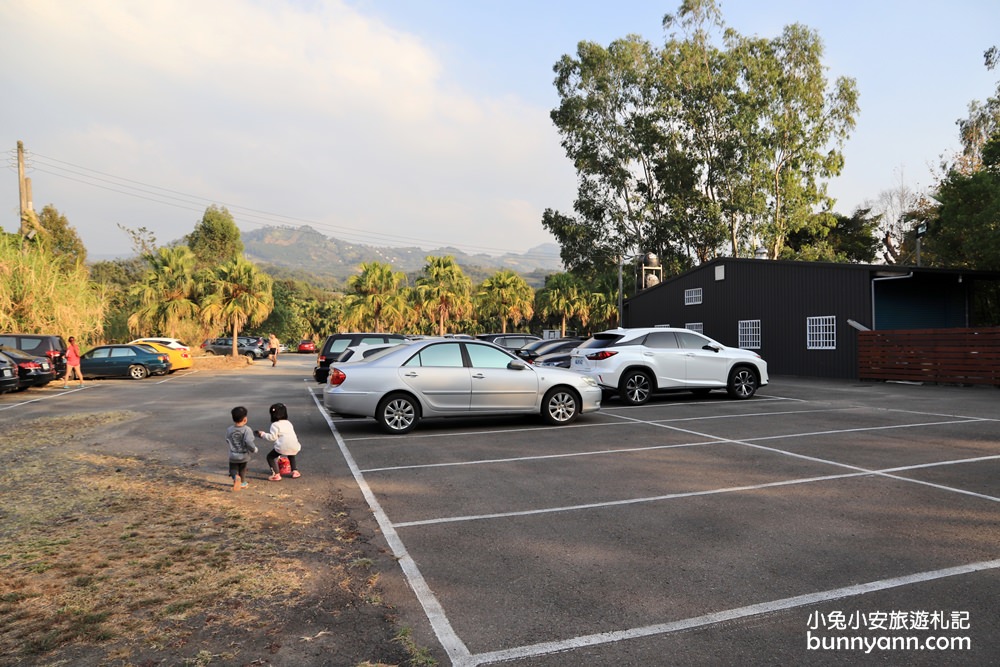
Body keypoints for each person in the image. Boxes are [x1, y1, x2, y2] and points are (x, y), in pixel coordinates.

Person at [255, 402, 301, 481]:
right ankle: (295, 471)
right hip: (295, 446)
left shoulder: (275, 425)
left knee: (270, 457)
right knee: (291, 454)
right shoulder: (288, 423)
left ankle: (276, 474)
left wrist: (262, 434)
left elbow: (272, 437)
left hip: (282, 446)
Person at [226, 406, 258, 491]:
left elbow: (227, 440)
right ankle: (242, 483)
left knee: (232, 469)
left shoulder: (229, 429)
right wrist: (254, 449)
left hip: (233, 455)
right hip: (244, 455)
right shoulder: (247, 430)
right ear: (245, 419)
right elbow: (248, 442)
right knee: (242, 469)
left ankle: (235, 478)